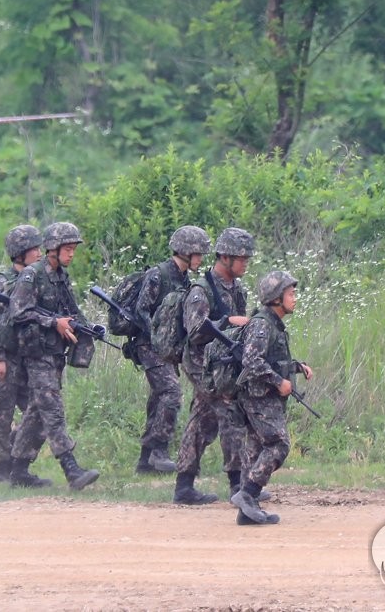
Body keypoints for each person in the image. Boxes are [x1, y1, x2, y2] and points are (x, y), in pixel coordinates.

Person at [9, 221, 99, 491]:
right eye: (68, 249)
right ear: (53, 249)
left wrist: (88, 328)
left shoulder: (61, 277)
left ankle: (17, 470)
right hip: (36, 354)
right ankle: (71, 469)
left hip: (55, 353)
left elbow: (70, 309)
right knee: (52, 409)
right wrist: (53, 323)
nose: (71, 255)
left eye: (73, 250)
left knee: (37, 411)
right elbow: (18, 312)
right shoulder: (32, 275)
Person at [172, 227, 254, 505]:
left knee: (202, 420)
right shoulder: (202, 289)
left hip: (221, 364)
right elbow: (195, 331)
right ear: (224, 257)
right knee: (230, 414)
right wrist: (227, 322)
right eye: (241, 258)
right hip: (200, 363)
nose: (245, 263)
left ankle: (184, 485)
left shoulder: (236, 289)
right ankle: (238, 484)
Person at [230, 271, 313, 525]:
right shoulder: (262, 324)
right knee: (279, 444)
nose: (295, 298)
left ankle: (247, 512)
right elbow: (252, 361)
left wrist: (296, 367)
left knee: (255, 449)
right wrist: (279, 381)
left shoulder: (272, 324)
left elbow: (271, 358)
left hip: (262, 395)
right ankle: (247, 494)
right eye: (290, 294)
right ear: (277, 298)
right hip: (259, 396)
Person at [132, 225, 211, 474]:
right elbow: (141, 310)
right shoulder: (159, 274)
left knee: (159, 397)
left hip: (167, 349)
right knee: (171, 392)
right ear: (186, 252)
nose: (201, 259)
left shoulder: (184, 279)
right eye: (198, 253)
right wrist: (157, 337)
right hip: (149, 346)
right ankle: (159, 450)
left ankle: (145, 461)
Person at [0, 225, 49, 487]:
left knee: (40, 412)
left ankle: (20, 460)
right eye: (34, 249)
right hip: (4, 359)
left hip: (28, 360)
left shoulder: (36, 281)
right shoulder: (1, 284)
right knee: (2, 414)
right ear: (20, 253)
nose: (39, 253)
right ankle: (0, 469)